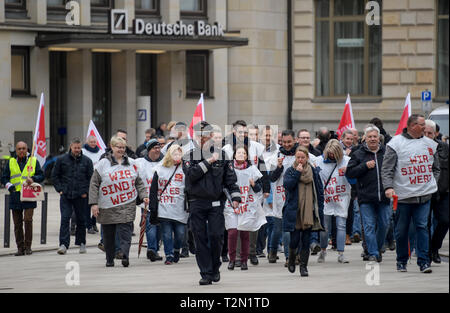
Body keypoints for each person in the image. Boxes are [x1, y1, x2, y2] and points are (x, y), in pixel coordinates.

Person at [183, 121, 241, 286]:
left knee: (216, 236)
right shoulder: (189, 156)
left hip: (216, 203)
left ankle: (215, 267)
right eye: (200, 135)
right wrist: (208, 161)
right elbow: (191, 175)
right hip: (196, 203)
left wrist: (236, 198)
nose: (203, 139)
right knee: (199, 238)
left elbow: (230, 179)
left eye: (206, 135)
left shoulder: (222, 155)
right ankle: (206, 273)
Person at [381, 114, 440, 273]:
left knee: (422, 227)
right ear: (412, 126)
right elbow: (387, 169)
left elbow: (436, 168)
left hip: (424, 196)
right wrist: (388, 187)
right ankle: (401, 261)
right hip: (403, 198)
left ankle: (423, 262)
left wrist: (431, 182)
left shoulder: (430, 144)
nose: (425, 128)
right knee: (401, 231)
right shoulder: (395, 144)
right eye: (422, 125)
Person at [89, 136, 149, 267]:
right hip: (107, 205)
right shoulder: (103, 164)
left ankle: (125, 255)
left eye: (123, 147)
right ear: (112, 147)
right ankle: (109, 259)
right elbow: (94, 184)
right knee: (109, 235)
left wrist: (144, 195)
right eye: (118, 147)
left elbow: (139, 182)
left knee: (126, 232)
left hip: (127, 204)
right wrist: (94, 204)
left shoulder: (132, 163)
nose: (121, 150)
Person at [347, 125, 391, 262]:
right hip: (365, 197)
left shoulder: (387, 152)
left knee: (384, 224)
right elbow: (350, 172)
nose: (372, 139)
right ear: (365, 138)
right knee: (369, 226)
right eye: (370, 136)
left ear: (379, 138)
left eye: (375, 136)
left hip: (384, 196)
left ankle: (377, 248)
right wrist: (364, 166)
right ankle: (373, 253)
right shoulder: (358, 153)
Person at [283, 146, 324, 276]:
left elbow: (319, 190)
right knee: (294, 240)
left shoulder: (313, 171)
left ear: (307, 158)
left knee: (306, 240)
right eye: (298, 157)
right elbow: (288, 185)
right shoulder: (290, 170)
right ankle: (291, 258)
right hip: (295, 211)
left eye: (303, 157)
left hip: (309, 211)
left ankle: (303, 267)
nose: (300, 160)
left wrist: (320, 208)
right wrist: (297, 173)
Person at [224, 146, 265, 271]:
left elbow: (259, 189)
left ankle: (243, 261)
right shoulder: (228, 169)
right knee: (232, 233)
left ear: (247, 156)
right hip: (231, 204)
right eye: (239, 152)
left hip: (247, 205)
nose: (241, 154)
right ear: (234, 155)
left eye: (244, 153)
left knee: (245, 233)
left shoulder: (252, 170)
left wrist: (254, 184)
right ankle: (232, 259)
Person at [1, 141, 44, 256]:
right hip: (15, 196)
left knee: (28, 220)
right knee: (17, 224)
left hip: (29, 195)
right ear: (16, 150)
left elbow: (42, 176)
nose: (21, 151)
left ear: (27, 149)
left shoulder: (33, 161)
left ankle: (28, 246)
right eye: (19, 149)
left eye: (23, 148)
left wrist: (34, 178)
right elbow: (4, 177)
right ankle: (20, 248)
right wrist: (9, 186)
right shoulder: (11, 161)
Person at [52, 138, 94, 255]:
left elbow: (91, 179)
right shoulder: (61, 160)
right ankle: (63, 244)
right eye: (75, 148)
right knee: (65, 219)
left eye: (79, 148)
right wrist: (60, 189)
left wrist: (86, 192)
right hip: (66, 195)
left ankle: (81, 243)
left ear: (81, 148)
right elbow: (55, 176)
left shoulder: (87, 161)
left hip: (81, 195)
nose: (77, 150)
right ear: (71, 147)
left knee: (81, 219)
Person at [149, 145, 188, 265]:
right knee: (166, 233)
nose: (177, 156)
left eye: (179, 154)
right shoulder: (160, 169)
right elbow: (154, 189)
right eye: (174, 154)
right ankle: (169, 255)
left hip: (180, 207)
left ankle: (176, 249)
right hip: (165, 206)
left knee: (180, 234)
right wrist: (153, 205)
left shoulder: (186, 169)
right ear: (169, 155)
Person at [316, 139, 353, 263]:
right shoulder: (318, 161)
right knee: (325, 226)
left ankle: (341, 253)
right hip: (325, 197)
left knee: (341, 225)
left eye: (334, 154)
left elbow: (354, 181)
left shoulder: (347, 161)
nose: (332, 156)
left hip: (341, 196)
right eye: (330, 153)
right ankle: (323, 250)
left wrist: (348, 173)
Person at [268, 130, 298, 264]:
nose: (286, 144)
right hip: (280, 196)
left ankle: (290, 257)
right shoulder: (275, 156)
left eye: (289, 142)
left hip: (294, 196)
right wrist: (279, 167)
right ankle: (272, 250)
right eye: (284, 142)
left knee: (291, 228)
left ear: (295, 140)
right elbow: (271, 178)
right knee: (278, 228)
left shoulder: (300, 154)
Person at [424, 120, 449, 264]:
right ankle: (426, 251)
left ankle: (435, 247)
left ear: (436, 134)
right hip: (424, 192)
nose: (427, 136)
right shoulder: (417, 147)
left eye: (430, 133)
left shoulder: (444, 147)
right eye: (425, 133)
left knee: (445, 221)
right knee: (424, 224)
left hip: (443, 191)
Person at [135, 139, 164, 262]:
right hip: (146, 201)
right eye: (154, 148)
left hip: (162, 201)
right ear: (149, 150)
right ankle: (152, 249)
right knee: (150, 225)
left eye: (159, 148)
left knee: (159, 227)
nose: (157, 150)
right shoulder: (139, 163)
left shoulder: (164, 162)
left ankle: (155, 248)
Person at [82, 136, 103, 234]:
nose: (93, 143)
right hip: (87, 182)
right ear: (87, 142)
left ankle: (94, 223)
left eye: (94, 141)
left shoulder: (101, 152)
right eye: (91, 142)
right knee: (87, 206)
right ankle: (88, 225)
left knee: (97, 205)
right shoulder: (83, 151)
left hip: (98, 181)